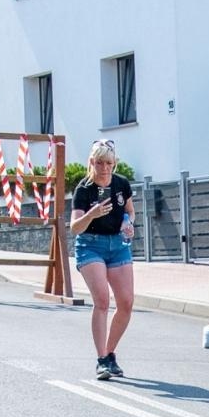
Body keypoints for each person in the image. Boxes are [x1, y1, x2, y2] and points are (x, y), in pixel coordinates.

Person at [68, 139, 135, 380]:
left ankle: (110, 353)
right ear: (91, 163)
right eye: (99, 163)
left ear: (114, 163)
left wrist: (128, 222)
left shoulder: (121, 184)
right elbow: (75, 227)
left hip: (118, 245)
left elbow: (129, 210)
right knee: (103, 301)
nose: (104, 168)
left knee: (126, 302)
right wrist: (92, 214)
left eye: (109, 163)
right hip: (90, 245)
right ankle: (101, 359)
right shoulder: (83, 189)